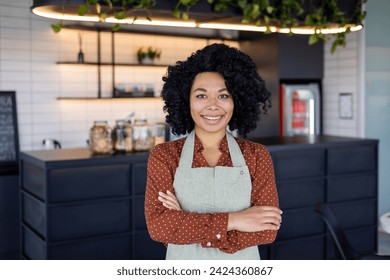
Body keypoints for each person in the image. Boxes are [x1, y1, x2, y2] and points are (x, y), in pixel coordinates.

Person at [144, 43, 282, 260]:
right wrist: (235, 220)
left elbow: (267, 230)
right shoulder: (165, 156)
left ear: (237, 101)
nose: (212, 105)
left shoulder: (257, 155)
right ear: (185, 100)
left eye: (223, 96)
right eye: (201, 96)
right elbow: (159, 227)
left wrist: (184, 221)